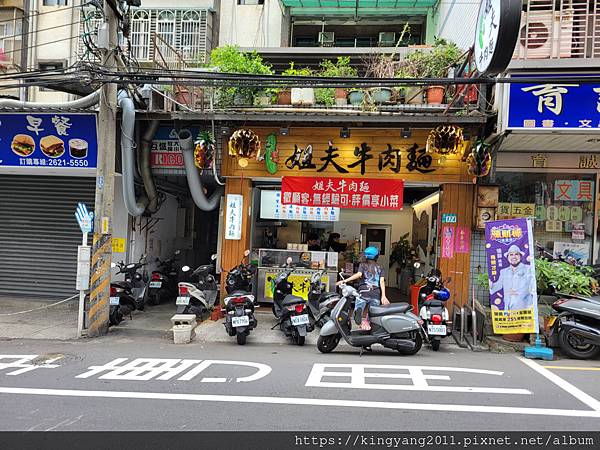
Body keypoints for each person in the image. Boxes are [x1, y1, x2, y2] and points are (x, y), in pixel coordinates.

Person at [336, 246, 389, 331]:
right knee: (373, 313)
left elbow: (359, 275)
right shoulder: (380, 267)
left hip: (364, 291)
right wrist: (383, 296)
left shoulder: (363, 265)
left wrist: (345, 281)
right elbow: (382, 281)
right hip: (375, 293)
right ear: (376, 256)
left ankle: (358, 314)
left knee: (359, 304)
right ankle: (367, 322)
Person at [490, 244, 536, 311]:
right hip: (508, 308)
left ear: (520, 256)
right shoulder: (503, 271)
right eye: (511, 254)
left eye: (516, 254)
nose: (514, 257)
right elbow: (497, 286)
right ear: (507, 257)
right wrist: (491, 284)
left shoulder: (528, 269)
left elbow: (531, 287)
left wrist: (517, 292)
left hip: (524, 309)